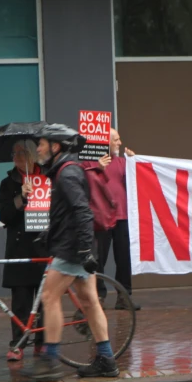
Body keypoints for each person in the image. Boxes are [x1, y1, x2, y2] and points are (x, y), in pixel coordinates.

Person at [22, 124, 119, 380]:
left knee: (49, 296)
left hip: (73, 248)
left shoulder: (67, 173)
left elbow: (82, 212)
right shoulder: (63, 172)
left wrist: (86, 249)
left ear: (56, 147)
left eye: (41, 144)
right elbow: (66, 213)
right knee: (89, 300)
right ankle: (106, 360)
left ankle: (50, 361)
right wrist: (48, 234)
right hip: (74, 245)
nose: (38, 149)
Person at [0, 140, 47, 361]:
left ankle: (43, 342)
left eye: (21, 152)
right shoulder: (7, 183)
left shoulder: (48, 177)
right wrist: (21, 198)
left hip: (44, 244)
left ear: (32, 155)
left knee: (46, 299)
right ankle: (18, 344)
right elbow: (4, 216)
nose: (16, 156)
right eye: (14, 152)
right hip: (19, 247)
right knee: (21, 301)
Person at [83, 128, 139, 311]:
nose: (120, 143)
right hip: (101, 217)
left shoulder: (123, 162)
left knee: (124, 259)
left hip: (122, 216)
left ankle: (124, 298)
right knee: (99, 259)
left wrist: (133, 162)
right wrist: (96, 168)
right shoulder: (90, 161)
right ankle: (98, 297)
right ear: (104, 142)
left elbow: (137, 180)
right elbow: (82, 179)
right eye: (116, 139)